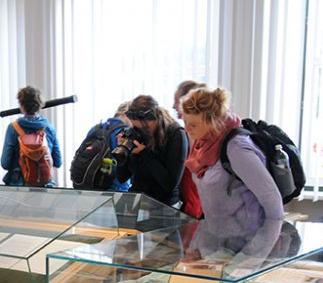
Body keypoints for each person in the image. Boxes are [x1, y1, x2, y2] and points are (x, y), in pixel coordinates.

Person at [181, 86, 285, 226]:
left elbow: (271, 199)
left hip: (245, 239)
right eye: (185, 122)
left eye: (193, 124)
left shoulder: (237, 148)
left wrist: (258, 246)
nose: (187, 129)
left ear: (213, 121)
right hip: (219, 237)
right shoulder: (202, 143)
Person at [114, 95, 188, 207]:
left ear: (156, 118)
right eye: (136, 127)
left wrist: (145, 154)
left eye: (144, 128)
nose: (141, 132)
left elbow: (170, 184)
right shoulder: (136, 133)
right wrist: (122, 153)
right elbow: (122, 177)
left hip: (165, 207)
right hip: (138, 202)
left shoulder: (176, 134)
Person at [0, 86, 62, 186]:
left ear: (21, 105)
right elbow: (58, 162)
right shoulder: (49, 128)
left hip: (18, 186)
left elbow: (5, 164)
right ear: (39, 105)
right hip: (45, 186)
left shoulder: (13, 128)